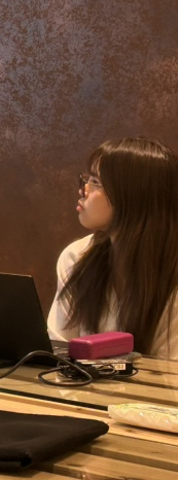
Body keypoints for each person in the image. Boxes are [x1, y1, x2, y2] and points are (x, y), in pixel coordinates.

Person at [48, 137, 178, 358]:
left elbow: (169, 370)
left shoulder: (171, 274)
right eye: (86, 179)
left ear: (133, 197)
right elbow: (60, 348)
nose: (83, 190)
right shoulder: (77, 256)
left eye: (95, 182)